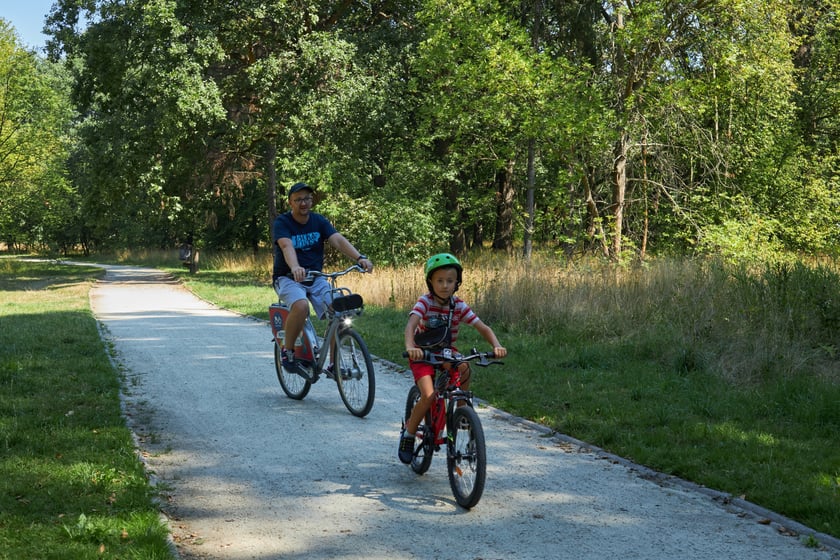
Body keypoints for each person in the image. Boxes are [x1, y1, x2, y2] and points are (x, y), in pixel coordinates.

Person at [398, 253, 506, 464]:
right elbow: (411, 325)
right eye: (440, 280)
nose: (445, 285)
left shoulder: (458, 305)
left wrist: (496, 345)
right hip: (422, 352)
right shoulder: (425, 302)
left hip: (445, 351)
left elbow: (481, 326)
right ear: (430, 281)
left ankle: (461, 409)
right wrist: (411, 347)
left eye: (450, 281)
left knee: (464, 366)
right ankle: (409, 435)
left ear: (457, 282)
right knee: (428, 396)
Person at [272, 182, 373, 375]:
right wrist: (295, 267)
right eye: (299, 199)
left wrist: (359, 258)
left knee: (340, 311)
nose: (304, 203)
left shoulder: (318, 221)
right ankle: (288, 350)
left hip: (316, 277)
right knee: (301, 306)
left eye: (307, 198)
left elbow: (337, 239)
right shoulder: (282, 222)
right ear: (290, 202)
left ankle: (334, 363)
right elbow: (286, 246)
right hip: (288, 278)